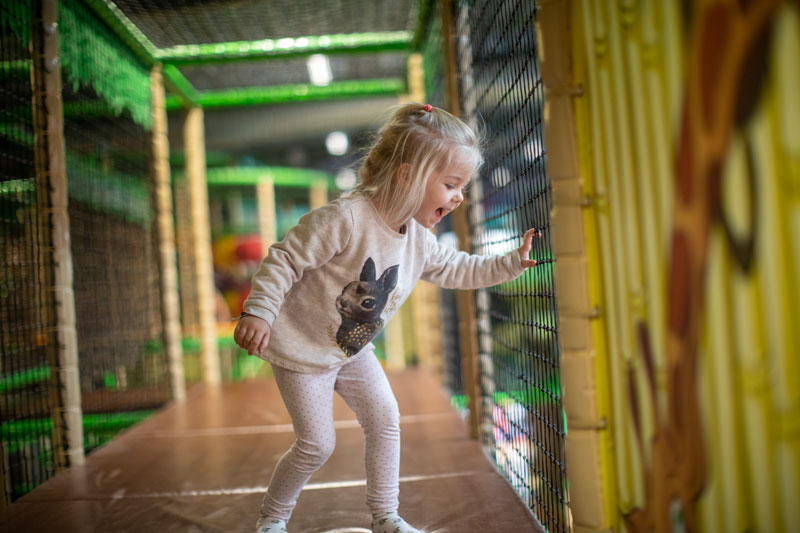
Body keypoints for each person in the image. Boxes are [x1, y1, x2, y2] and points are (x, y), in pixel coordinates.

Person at [233, 103, 541, 533]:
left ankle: (385, 516)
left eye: (462, 186)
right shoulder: (346, 218)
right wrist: (260, 312)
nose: (459, 196)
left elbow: (459, 268)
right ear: (408, 175)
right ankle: (272, 519)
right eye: (451, 184)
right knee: (317, 445)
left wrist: (509, 263)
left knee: (385, 420)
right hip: (301, 350)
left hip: (351, 350)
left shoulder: (419, 239)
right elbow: (285, 260)